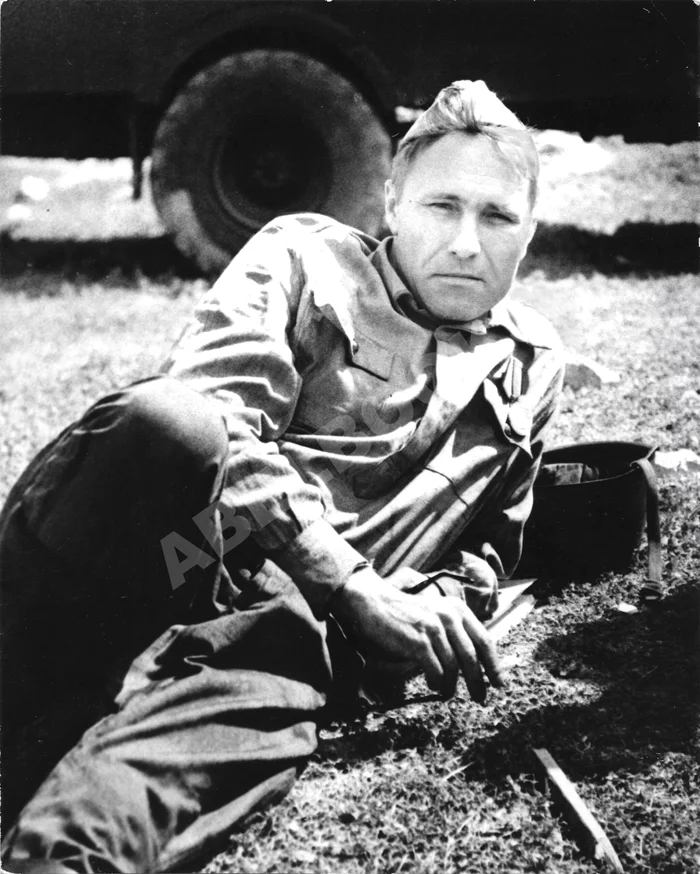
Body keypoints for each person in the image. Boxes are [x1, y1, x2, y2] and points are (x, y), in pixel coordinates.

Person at [0, 80, 564, 873]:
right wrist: (355, 585)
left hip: (290, 627)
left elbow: (489, 546)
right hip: (175, 544)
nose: (467, 243)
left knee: (128, 798)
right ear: (393, 203)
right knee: (172, 424)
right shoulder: (304, 255)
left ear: (529, 233)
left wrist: (441, 600)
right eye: (442, 207)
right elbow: (219, 416)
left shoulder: (531, 366)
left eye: (498, 216)